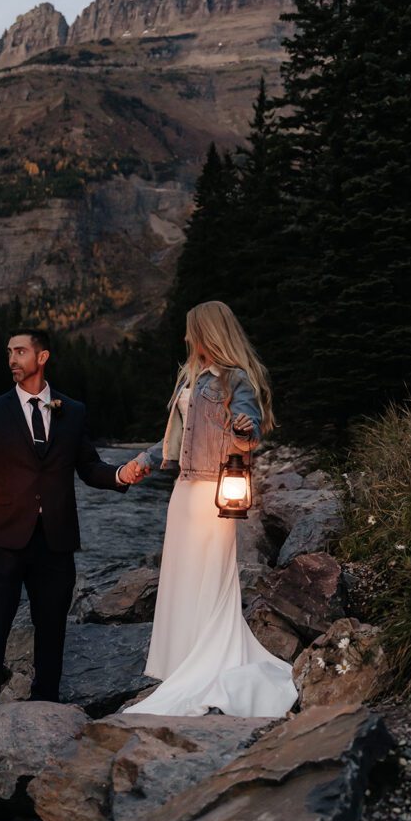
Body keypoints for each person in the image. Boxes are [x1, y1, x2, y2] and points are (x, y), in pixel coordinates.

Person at [0, 328, 146, 714]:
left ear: (42, 357)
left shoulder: (72, 410)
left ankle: (46, 704)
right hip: (4, 535)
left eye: (20, 351)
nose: (12, 359)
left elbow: (89, 467)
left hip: (55, 537)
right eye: (8, 352)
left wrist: (122, 474)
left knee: (52, 626)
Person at [123, 301, 297, 718]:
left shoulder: (235, 379)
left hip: (212, 494)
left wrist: (243, 431)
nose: (186, 338)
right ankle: (182, 665)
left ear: (208, 332)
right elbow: (177, 442)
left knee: (208, 577)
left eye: (191, 331)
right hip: (183, 492)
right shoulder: (191, 378)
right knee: (181, 577)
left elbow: (249, 433)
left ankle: (206, 666)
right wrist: (143, 462)